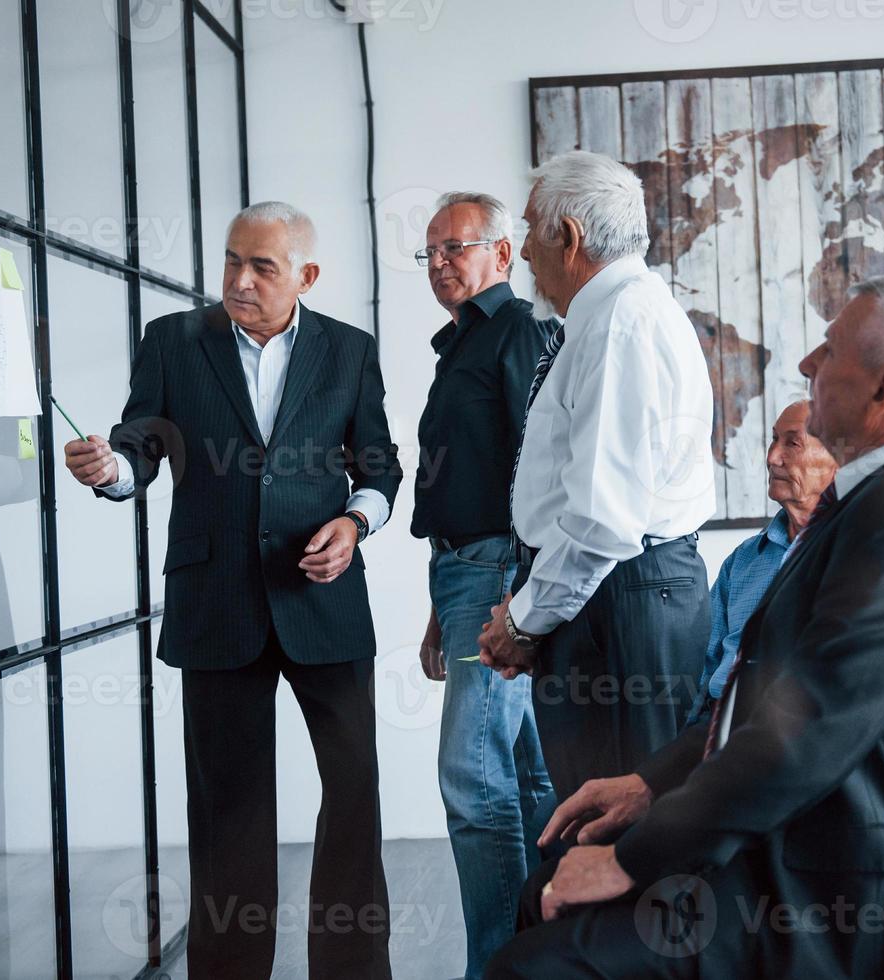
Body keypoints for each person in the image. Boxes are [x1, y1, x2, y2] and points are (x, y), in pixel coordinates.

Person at [488, 275, 884, 978]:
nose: (805, 365)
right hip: (796, 834)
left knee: (535, 963)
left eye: (828, 351)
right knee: (549, 880)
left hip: (822, 885)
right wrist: (648, 783)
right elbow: (765, 698)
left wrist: (630, 860)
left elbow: (806, 731)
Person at [65, 203, 400, 979]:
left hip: (323, 601)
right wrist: (114, 473)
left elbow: (378, 467)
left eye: (262, 267)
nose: (239, 281)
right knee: (228, 812)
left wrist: (353, 524)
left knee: (354, 790)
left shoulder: (349, 351)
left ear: (306, 277)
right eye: (231, 262)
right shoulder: (173, 342)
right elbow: (140, 438)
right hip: (216, 602)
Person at [478, 151, 717, 805]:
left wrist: (523, 622)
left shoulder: (620, 325)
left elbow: (602, 523)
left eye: (529, 229)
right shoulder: (614, 316)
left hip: (618, 605)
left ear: (569, 238)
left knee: (614, 837)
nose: (522, 251)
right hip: (609, 600)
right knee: (603, 828)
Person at [411, 191, 555, 979]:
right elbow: (464, 479)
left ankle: (497, 969)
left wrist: (515, 600)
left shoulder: (520, 333)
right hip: (465, 572)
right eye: (428, 253)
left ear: (502, 254)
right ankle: (546, 958)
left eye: (454, 248)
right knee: (530, 776)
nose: (438, 265)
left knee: (473, 778)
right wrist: (441, 607)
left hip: (500, 572)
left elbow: (537, 472)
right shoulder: (460, 342)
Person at [685, 399, 836, 725]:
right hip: (718, 730)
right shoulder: (743, 559)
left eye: (792, 443)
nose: (772, 458)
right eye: (773, 440)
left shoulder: (850, 554)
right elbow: (705, 667)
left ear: (839, 459)